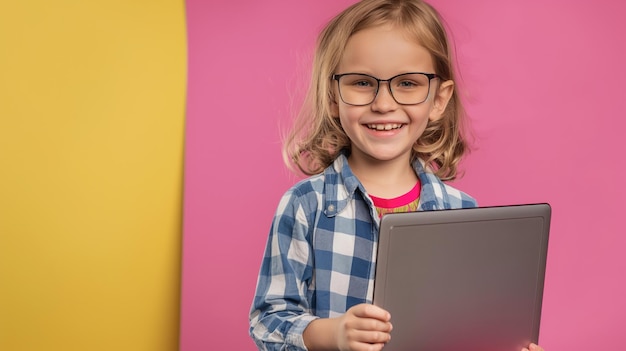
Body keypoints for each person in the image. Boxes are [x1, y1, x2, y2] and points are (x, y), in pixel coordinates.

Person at [249, 1, 546, 351]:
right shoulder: (304, 206)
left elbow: (465, 327)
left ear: (439, 99)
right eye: (362, 82)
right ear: (332, 96)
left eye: (407, 83)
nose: (384, 103)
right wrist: (333, 334)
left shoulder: (461, 212)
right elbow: (268, 321)